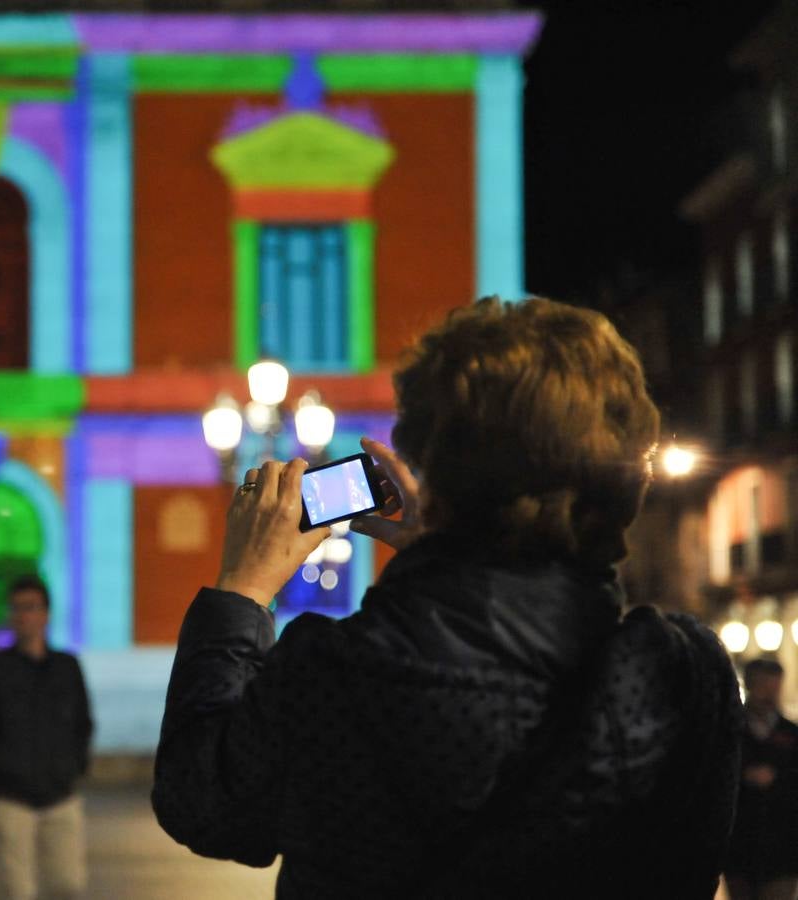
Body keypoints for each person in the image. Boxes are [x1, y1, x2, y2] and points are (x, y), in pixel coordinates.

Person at [152, 297, 743, 898]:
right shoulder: (685, 677)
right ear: (627, 480)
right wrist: (442, 556)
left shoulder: (338, 672)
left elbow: (202, 800)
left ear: (433, 469)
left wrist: (242, 589)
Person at [0, 575, 94, 900]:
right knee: (19, 890)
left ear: (46, 614)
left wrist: (74, 766)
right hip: (10, 795)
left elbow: (83, 722)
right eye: (17, 608)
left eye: (31, 607)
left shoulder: (67, 666)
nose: (23, 615)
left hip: (62, 793)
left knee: (70, 884)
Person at [725, 658, 798, 900]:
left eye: (774, 686)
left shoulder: (790, 733)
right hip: (741, 847)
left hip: (782, 848)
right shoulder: (733, 731)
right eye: (763, 685)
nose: (769, 693)